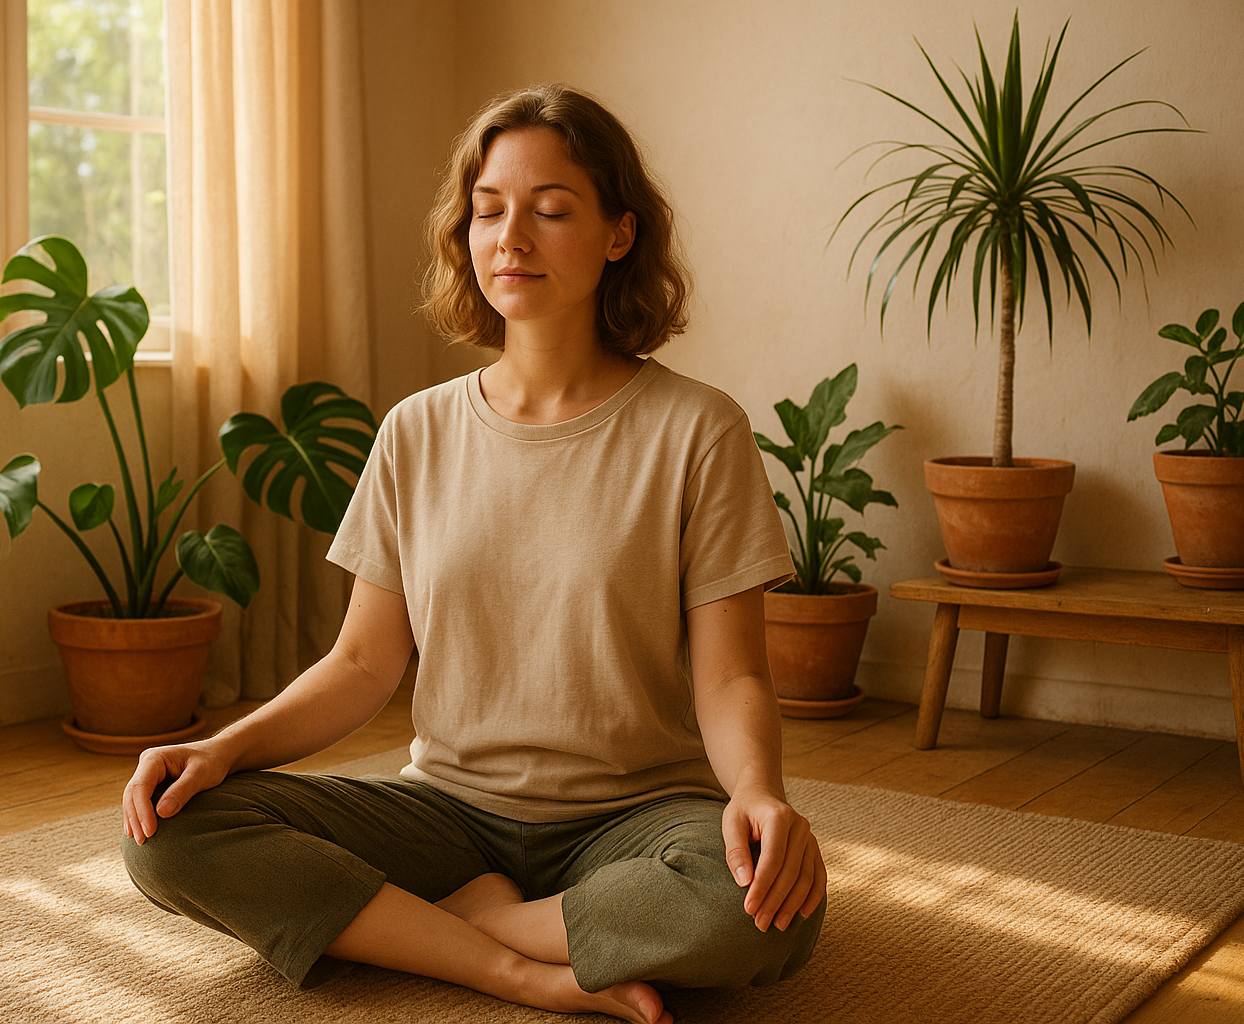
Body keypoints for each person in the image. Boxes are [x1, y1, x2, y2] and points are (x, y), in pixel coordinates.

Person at [119, 83, 826, 1024]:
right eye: (488, 211)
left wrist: (760, 794)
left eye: (551, 210)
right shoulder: (416, 431)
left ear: (619, 233)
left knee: (763, 911)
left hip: (636, 817)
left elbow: (731, 677)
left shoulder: (697, 430)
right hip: (446, 812)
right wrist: (221, 747)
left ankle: (452, 925)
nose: (510, 238)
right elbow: (365, 662)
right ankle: (512, 964)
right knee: (168, 831)